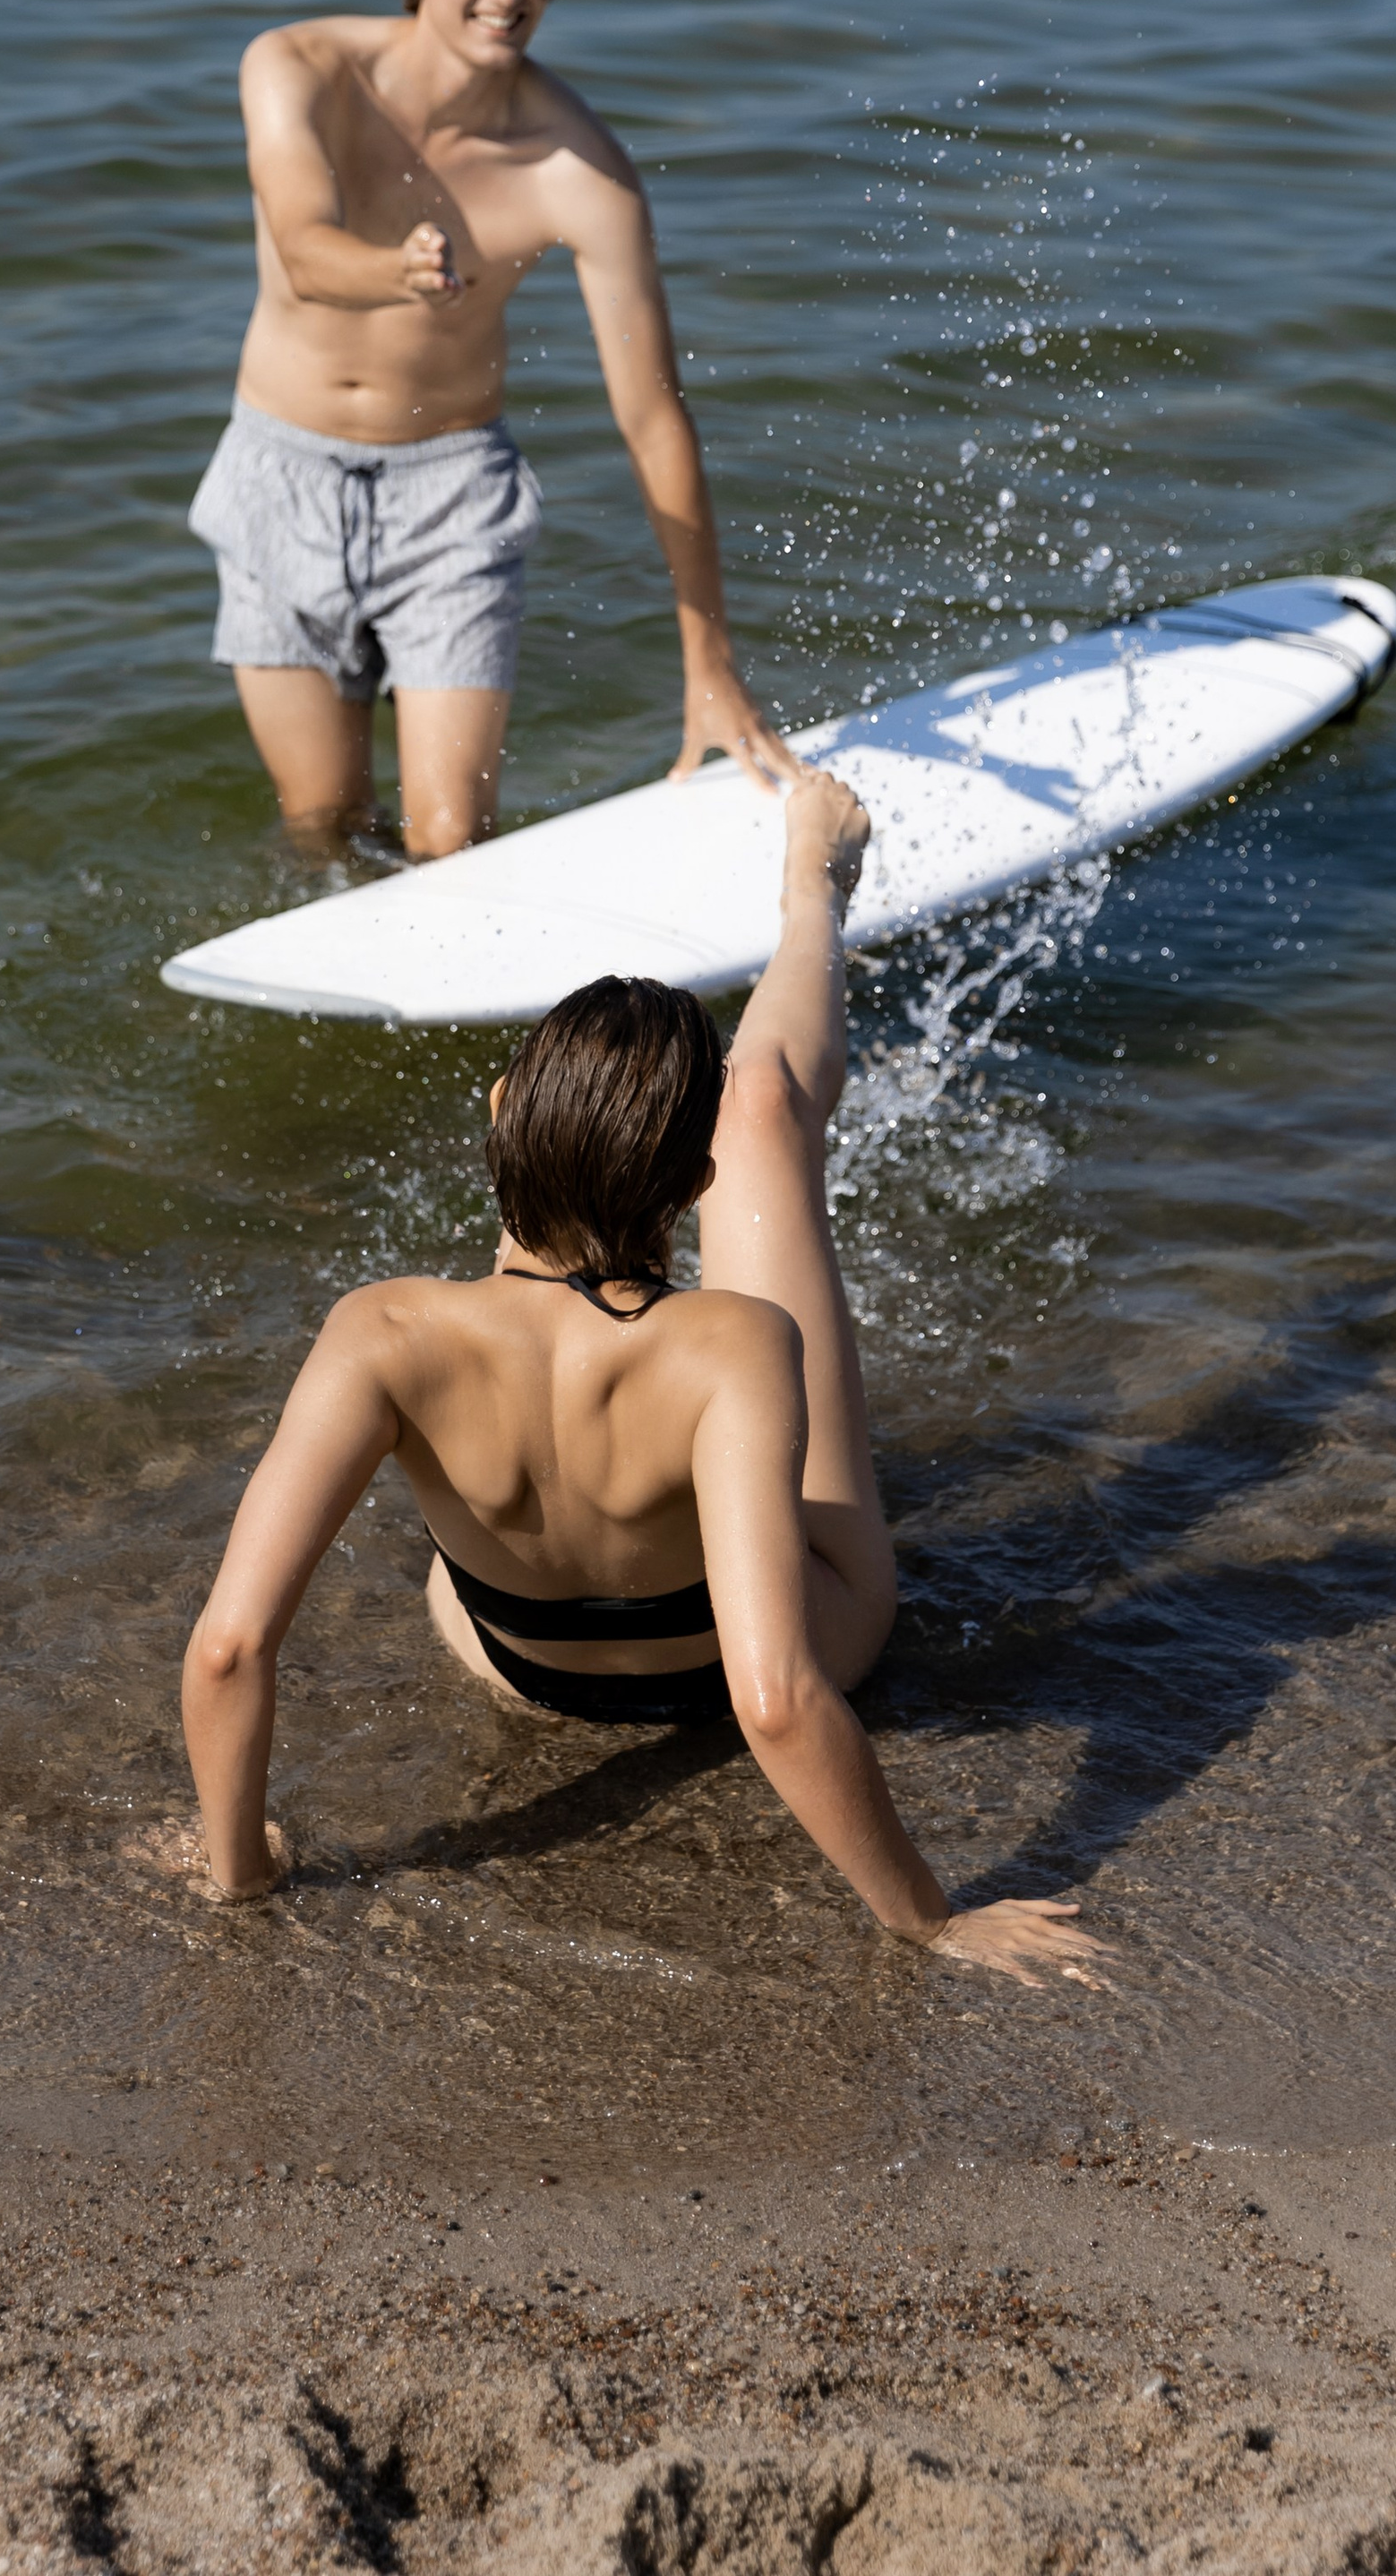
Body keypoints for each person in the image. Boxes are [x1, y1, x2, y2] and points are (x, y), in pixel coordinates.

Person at [160, 772, 1114, 1988]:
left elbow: (231, 1650)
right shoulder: (737, 1342)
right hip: (727, 1664)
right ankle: (810, 886)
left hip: (517, 1661)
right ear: (691, 1189)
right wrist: (928, 1918)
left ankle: (590, 1143)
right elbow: (774, 1700)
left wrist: (237, 1874)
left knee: (503, 1316)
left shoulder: (378, 1331)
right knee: (768, 1105)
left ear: (498, 1113)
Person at [190, 0, 795, 859]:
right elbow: (300, 248)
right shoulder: (296, 69)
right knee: (321, 827)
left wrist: (710, 667)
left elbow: (654, 420)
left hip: (451, 493)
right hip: (279, 472)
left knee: (450, 844)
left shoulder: (580, 171)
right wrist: (399, 270)